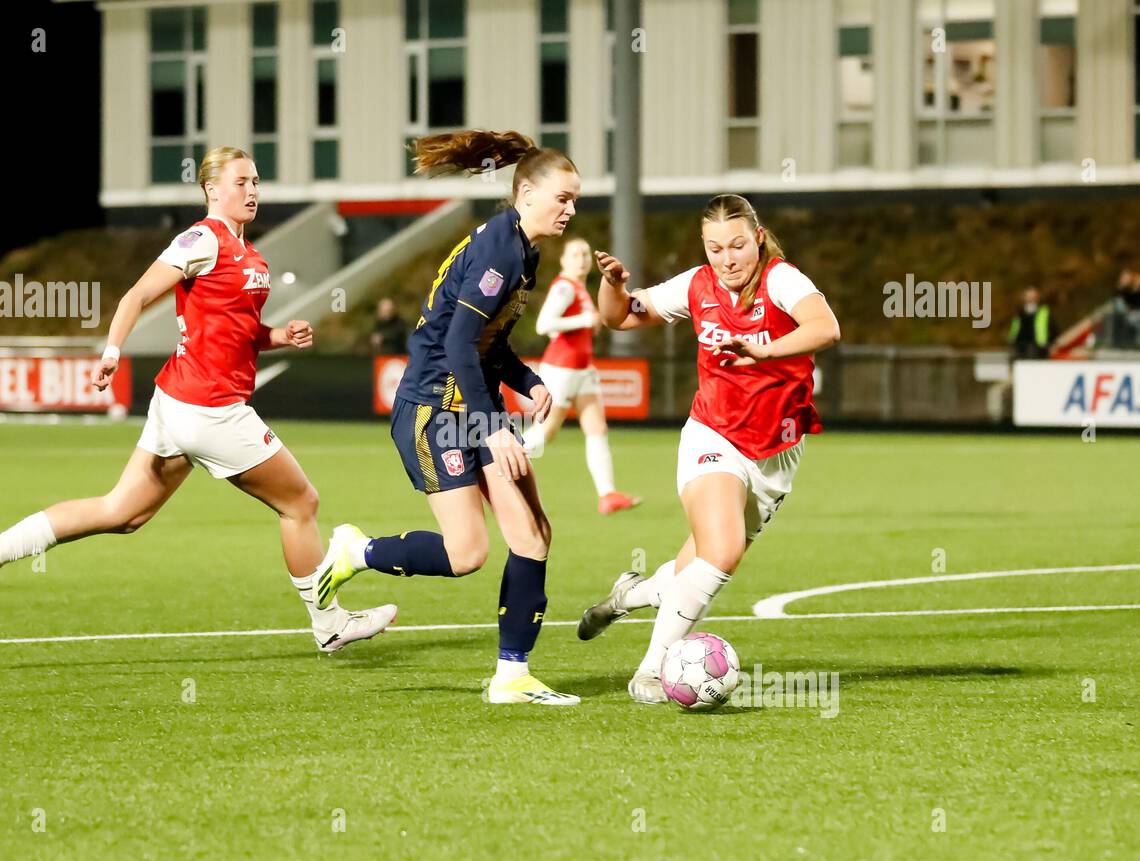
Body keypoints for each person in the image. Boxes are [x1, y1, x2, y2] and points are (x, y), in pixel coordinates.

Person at [0, 146, 395, 652]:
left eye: (255, 181)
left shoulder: (248, 252)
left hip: (180, 401)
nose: (252, 191)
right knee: (301, 503)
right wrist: (112, 351)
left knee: (122, 512)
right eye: (240, 182)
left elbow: (238, 330)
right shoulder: (202, 239)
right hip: (210, 407)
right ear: (211, 189)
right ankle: (330, 624)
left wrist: (277, 336)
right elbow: (136, 296)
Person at [310, 129, 582, 705]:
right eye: (563, 198)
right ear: (526, 192)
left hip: (470, 401)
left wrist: (528, 382)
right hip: (435, 408)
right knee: (469, 554)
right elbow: (459, 346)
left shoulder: (520, 247)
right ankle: (357, 551)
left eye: (575, 199)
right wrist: (494, 428)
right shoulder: (500, 249)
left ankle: (511, 676)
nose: (571, 209)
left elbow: (487, 342)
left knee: (532, 535)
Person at [576, 193, 841, 703]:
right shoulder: (697, 284)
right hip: (713, 435)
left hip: (775, 454)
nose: (728, 259)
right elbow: (621, 318)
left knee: (696, 566)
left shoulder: (782, 279)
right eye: (716, 248)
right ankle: (651, 672)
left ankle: (631, 593)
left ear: (758, 239)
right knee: (722, 551)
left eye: (738, 245)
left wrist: (763, 349)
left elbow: (825, 327)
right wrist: (613, 286)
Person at [521, 237, 641, 514]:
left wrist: (584, 325)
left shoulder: (578, 288)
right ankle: (496, 467)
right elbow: (544, 325)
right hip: (562, 370)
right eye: (575, 254)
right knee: (546, 432)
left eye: (585, 254)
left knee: (596, 429)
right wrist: (583, 321)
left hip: (582, 369)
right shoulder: (564, 286)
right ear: (563, 261)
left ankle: (607, 495)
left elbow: (556, 329)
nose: (582, 259)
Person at [1008, 286, 1054, 360]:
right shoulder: (1019, 313)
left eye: (1033, 296)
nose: (1031, 299)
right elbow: (1014, 330)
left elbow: (1053, 328)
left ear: (1038, 297)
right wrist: (1012, 343)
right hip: (1021, 348)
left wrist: (1051, 343)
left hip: (1040, 349)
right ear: (1024, 298)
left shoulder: (1044, 312)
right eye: (1028, 296)